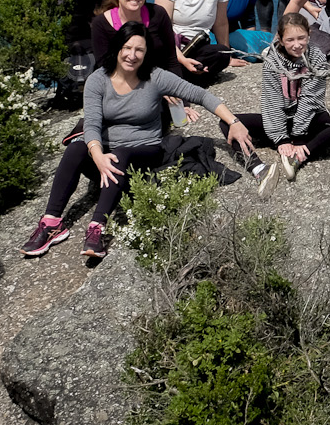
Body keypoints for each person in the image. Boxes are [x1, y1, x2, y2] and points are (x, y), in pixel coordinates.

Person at [22, 24, 255, 261]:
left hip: (144, 152)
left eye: (139, 50)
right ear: (117, 48)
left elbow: (201, 95)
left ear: (146, 53)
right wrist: (97, 155)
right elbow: (91, 124)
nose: (132, 55)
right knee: (76, 147)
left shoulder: (155, 77)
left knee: (121, 154)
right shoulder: (97, 80)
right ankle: (52, 222)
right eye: (127, 48)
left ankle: (97, 227)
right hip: (106, 155)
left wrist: (233, 121)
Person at [222, 12, 330, 195]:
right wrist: (282, 139)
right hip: (279, 121)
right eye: (290, 39)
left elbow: (311, 99)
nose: (297, 44)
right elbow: (272, 99)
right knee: (229, 123)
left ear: (309, 35)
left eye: (301, 38)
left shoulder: (316, 57)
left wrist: (299, 139)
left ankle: (300, 156)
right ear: (280, 38)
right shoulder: (272, 59)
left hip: (308, 120)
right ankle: (259, 168)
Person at [90, 0, 176, 78]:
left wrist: (175, 88)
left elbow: (171, 59)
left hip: (159, 82)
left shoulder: (158, 14)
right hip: (119, 85)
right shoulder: (101, 23)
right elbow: (105, 68)